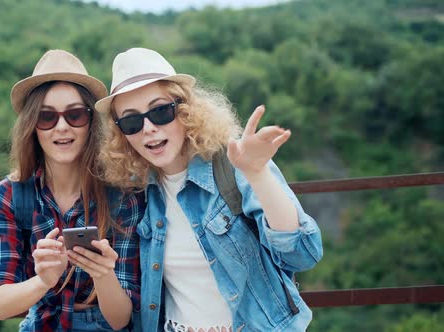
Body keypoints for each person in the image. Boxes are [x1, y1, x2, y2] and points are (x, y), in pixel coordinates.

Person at [96, 47, 323, 332]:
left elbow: (301, 254)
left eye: (160, 111)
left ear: (186, 111)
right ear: (121, 133)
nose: (148, 128)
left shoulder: (235, 163)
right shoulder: (136, 192)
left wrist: (258, 173)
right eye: (131, 120)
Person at [0, 50, 145, 332]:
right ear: (32, 126)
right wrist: (44, 279)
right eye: (46, 117)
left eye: (75, 114)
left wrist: (103, 274)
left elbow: (121, 320)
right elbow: (1, 304)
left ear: (91, 122)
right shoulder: (10, 194)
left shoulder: (124, 193)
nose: (61, 127)